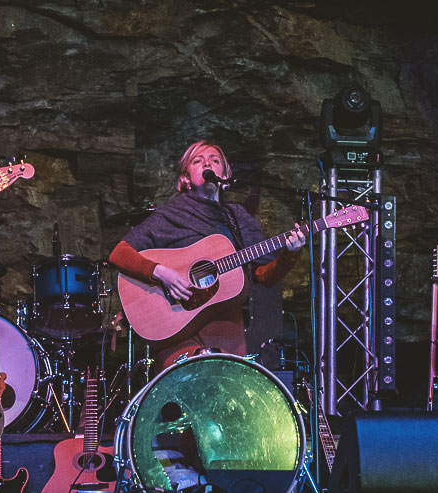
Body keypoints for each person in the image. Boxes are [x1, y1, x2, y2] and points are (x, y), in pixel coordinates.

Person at [108, 141, 306, 372]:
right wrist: (161, 273)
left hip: (227, 332)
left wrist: (290, 255)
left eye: (215, 160)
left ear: (225, 173)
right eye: (197, 161)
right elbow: (119, 253)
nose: (207, 164)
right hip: (176, 331)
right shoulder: (170, 215)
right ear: (185, 178)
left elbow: (264, 275)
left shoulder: (238, 218)